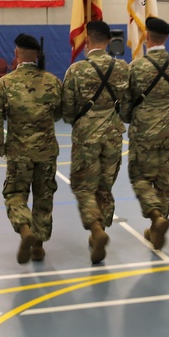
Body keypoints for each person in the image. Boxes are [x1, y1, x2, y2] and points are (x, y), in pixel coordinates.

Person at [0, 33, 61, 263]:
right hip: (47, 152)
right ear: (38, 56)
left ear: (16, 54)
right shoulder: (53, 81)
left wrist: (0, 147)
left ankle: (25, 230)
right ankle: (38, 246)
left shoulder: (5, 84)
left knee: (15, 194)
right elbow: (60, 113)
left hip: (19, 152)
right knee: (44, 196)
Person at [61, 21, 129, 264]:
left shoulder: (76, 70)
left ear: (87, 40)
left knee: (83, 186)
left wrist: (79, 120)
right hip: (113, 134)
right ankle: (101, 229)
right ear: (109, 41)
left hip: (87, 135)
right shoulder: (122, 68)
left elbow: (67, 110)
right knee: (105, 185)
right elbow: (127, 102)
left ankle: (96, 229)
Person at [120, 16, 169, 251]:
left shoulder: (136, 67)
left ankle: (155, 215)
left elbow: (126, 103)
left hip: (145, 130)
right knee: (164, 178)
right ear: (166, 37)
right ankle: (158, 223)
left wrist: (131, 118)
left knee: (139, 176)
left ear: (147, 37)